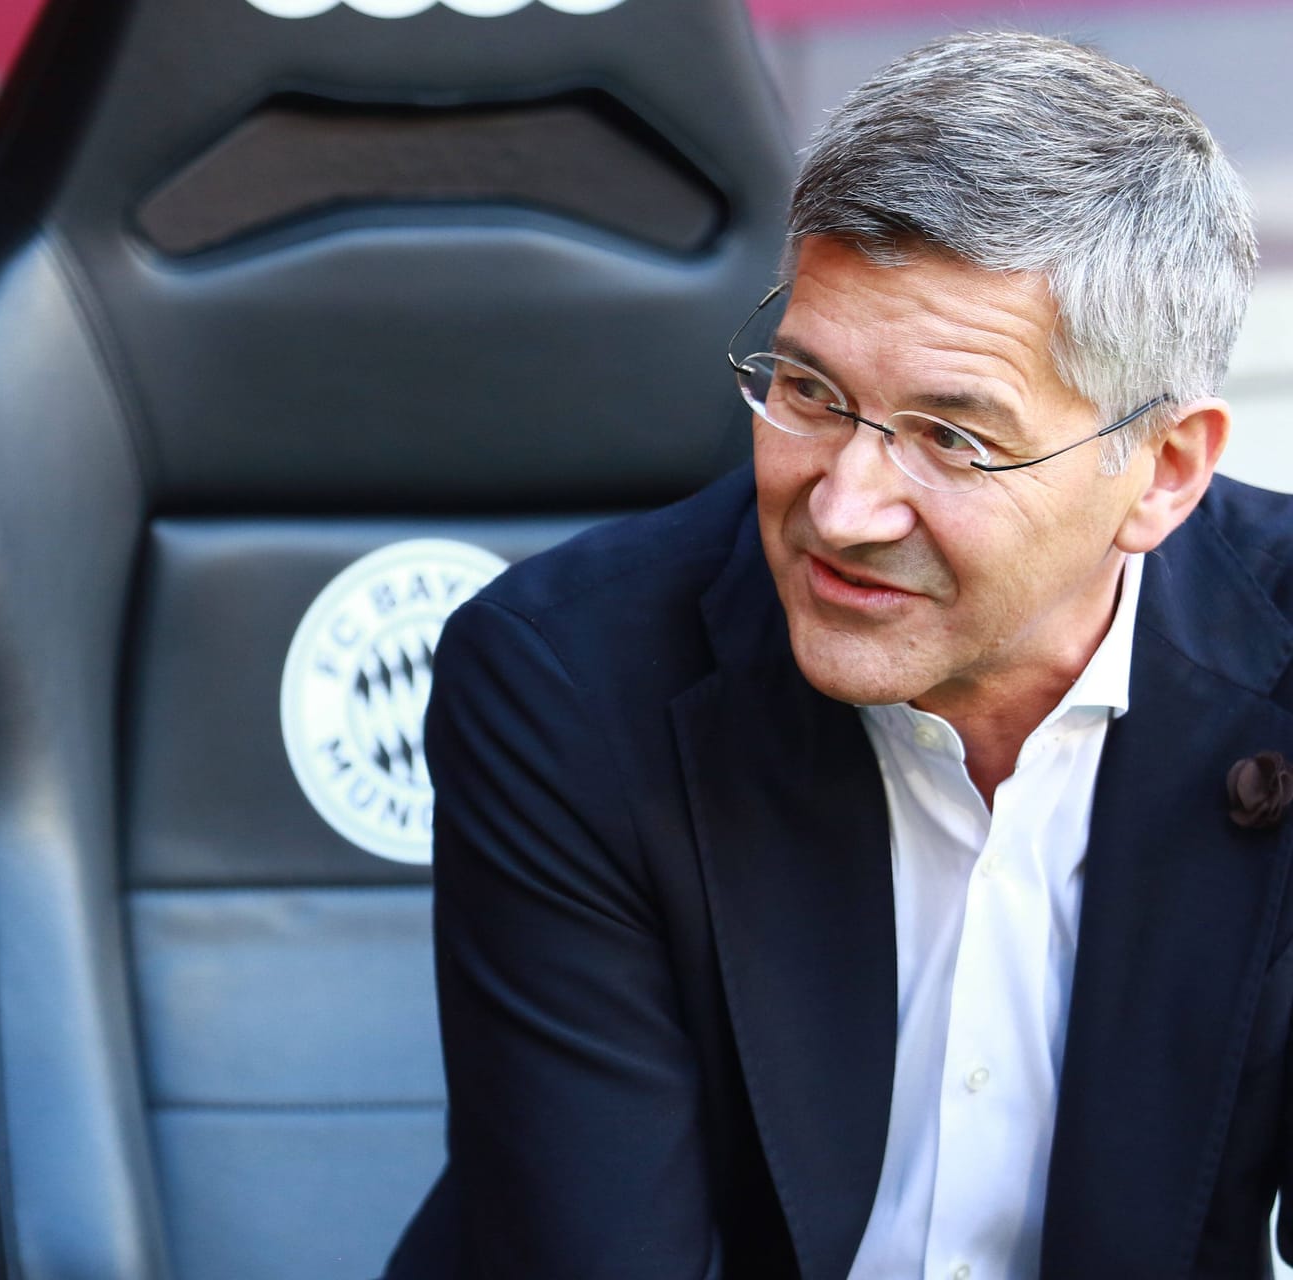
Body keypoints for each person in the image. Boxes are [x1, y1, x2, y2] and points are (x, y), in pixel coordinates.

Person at [384, 30, 1278, 1280]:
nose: (844, 507)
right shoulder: (568, 681)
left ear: (1163, 473)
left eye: (954, 438)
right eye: (808, 391)